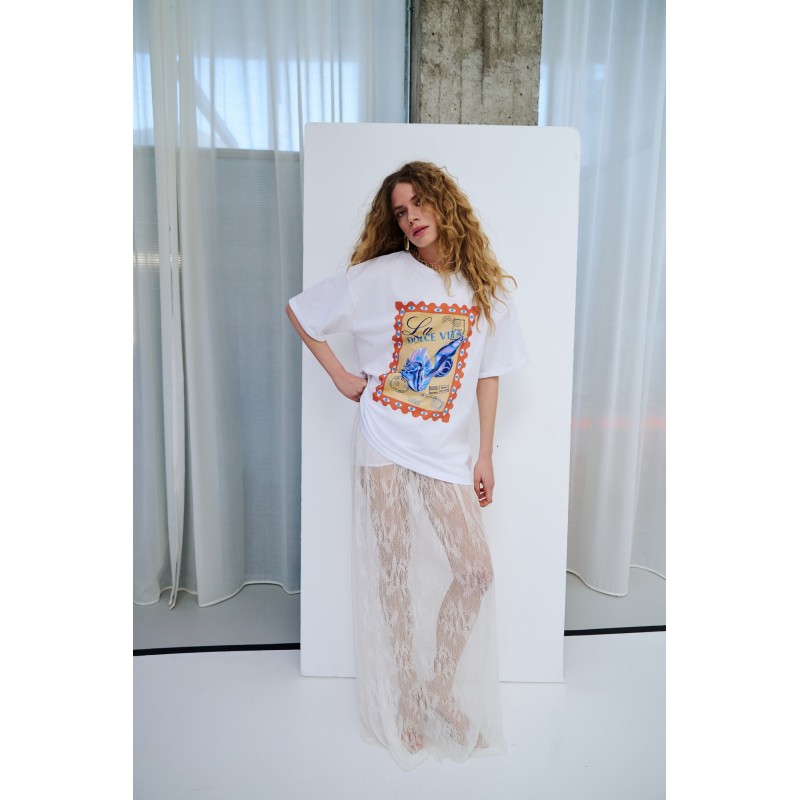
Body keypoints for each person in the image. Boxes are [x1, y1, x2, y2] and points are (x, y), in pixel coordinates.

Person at [286, 161, 529, 770]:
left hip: (446, 453)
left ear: (444, 203)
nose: (412, 217)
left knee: (474, 572)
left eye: (420, 202)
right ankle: (404, 697)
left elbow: (489, 375)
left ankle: (439, 687)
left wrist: (485, 454)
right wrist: (341, 376)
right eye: (400, 211)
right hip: (383, 442)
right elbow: (302, 311)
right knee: (392, 572)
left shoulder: (484, 289)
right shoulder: (380, 276)